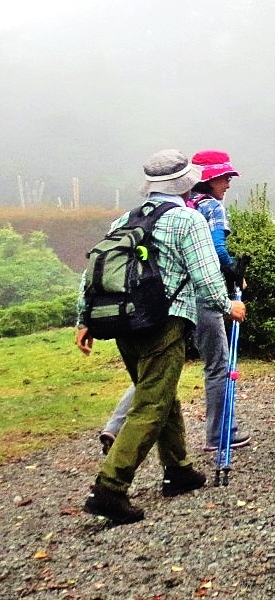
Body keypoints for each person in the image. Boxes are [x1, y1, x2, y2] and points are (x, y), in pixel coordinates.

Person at [76, 149, 247, 525]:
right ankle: (110, 487)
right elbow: (205, 275)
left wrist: (83, 319)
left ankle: (178, 470)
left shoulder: (126, 218)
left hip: (122, 321)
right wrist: (227, 306)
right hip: (162, 321)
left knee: (159, 390)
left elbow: (93, 271)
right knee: (152, 404)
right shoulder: (188, 219)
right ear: (186, 183)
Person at [98, 150, 253, 456]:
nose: (228, 183)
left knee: (155, 370)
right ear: (209, 179)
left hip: (166, 301)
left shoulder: (164, 208)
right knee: (218, 364)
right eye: (224, 177)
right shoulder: (209, 208)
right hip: (202, 296)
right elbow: (217, 250)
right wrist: (234, 275)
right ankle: (219, 433)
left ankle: (115, 426)